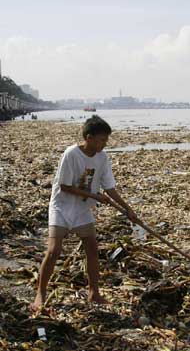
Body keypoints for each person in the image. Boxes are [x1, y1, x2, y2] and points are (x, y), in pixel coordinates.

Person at [31, 115, 139, 312]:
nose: (104, 144)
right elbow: (64, 186)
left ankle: (94, 292)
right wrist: (95, 196)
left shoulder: (102, 158)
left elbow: (110, 187)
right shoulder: (71, 154)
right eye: (101, 140)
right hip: (61, 206)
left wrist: (127, 209)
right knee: (54, 250)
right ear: (89, 137)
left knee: (92, 249)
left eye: (106, 140)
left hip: (82, 209)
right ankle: (41, 293)